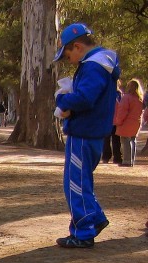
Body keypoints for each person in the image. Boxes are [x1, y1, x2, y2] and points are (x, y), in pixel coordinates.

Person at [53, 23, 121, 249]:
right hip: (91, 132)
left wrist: (62, 101)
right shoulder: (101, 65)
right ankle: (95, 219)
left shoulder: (93, 66)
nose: (68, 60)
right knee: (82, 182)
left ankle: (83, 232)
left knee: (75, 185)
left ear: (78, 46)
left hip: (83, 132)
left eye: (68, 53)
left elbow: (84, 98)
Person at [113, 79, 143, 167]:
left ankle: (126, 161)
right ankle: (131, 160)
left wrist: (118, 121)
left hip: (127, 122)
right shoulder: (139, 98)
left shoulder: (126, 97)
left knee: (125, 141)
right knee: (133, 140)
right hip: (136, 122)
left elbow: (122, 111)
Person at [101, 80, 123, 164]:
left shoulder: (116, 94)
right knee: (110, 139)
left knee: (113, 139)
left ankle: (113, 157)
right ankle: (111, 157)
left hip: (112, 120)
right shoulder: (117, 94)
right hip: (110, 119)